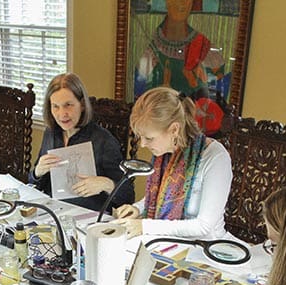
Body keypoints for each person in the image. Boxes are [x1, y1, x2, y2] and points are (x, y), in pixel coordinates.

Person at [112, 86, 232, 239]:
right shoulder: (164, 155)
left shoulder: (215, 157)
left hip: (206, 245)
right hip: (166, 242)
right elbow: (158, 199)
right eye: (139, 136)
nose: (142, 144)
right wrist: (136, 209)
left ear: (174, 129)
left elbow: (204, 227)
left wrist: (145, 226)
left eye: (149, 138)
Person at [28, 73, 132, 212]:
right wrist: (37, 173)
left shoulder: (103, 140)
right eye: (55, 106)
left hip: (88, 216)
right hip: (52, 211)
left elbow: (128, 196)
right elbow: (36, 184)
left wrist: (107, 184)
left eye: (68, 105)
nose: (62, 114)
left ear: (82, 105)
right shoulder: (51, 132)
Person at [133, 0, 227, 100]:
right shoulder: (149, 43)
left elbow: (218, 90)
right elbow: (139, 90)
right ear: (166, 2)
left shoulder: (203, 46)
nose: (182, 3)